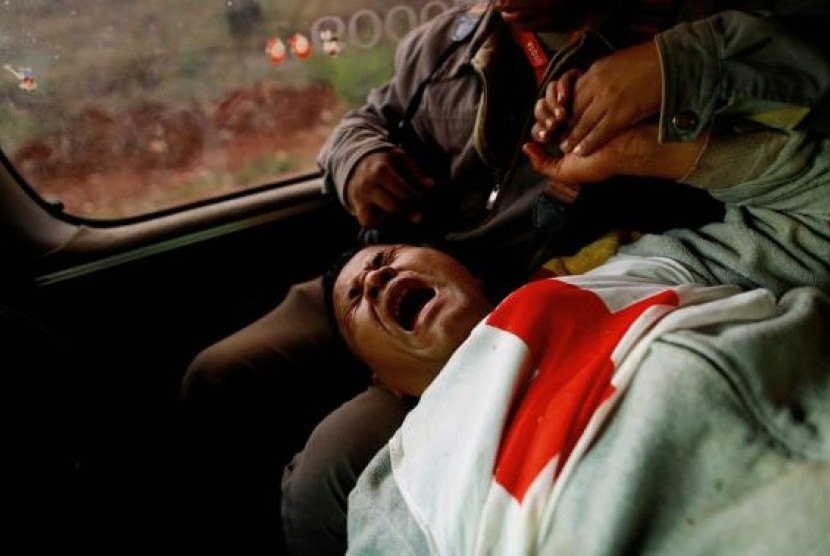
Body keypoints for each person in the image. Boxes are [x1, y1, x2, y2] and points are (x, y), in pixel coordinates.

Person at [178, 0, 830, 551]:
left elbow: (800, 114)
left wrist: (665, 79)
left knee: (327, 476)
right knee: (220, 376)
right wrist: (358, 161)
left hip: (501, 307)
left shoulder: (673, 37)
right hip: (377, 267)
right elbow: (365, 119)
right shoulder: (449, 41)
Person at [345, 108, 830, 553]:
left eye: (386, 258)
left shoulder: (633, 271)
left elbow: (814, 221)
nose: (373, 280)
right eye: (353, 302)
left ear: (467, 271)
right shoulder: (396, 490)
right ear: (385, 383)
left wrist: (654, 152)